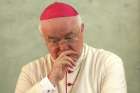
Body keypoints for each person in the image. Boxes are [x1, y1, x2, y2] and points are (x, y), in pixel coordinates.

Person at [15, 1, 127, 93]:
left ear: (82, 29)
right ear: (44, 38)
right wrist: (50, 80)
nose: (63, 47)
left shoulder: (109, 63)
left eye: (69, 38)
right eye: (54, 41)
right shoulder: (29, 71)